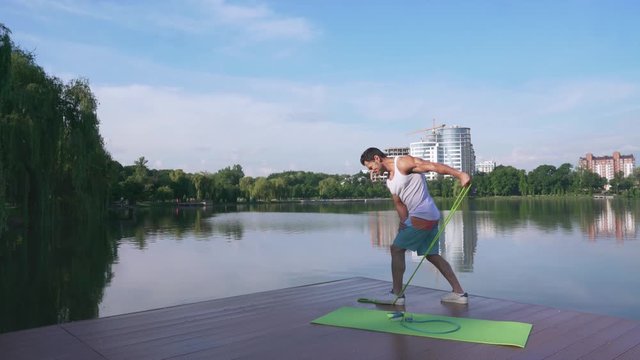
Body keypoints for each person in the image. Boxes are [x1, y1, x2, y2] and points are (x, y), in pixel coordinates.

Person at [360, 147, 472, 305]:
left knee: (396, 249)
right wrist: (403, 223)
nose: (371, 170)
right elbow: (399, 204)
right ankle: (459, 293)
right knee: (432, 255)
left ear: (377, 159)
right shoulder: (390, 180)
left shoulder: (403, 163)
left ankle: (397, 295)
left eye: (370, 167)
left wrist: (460, 175)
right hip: (427, 217)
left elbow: (432, 166)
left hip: (423, 215)